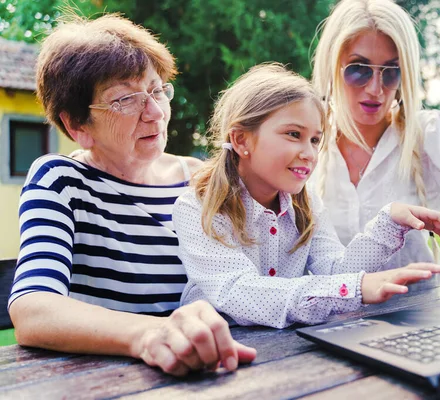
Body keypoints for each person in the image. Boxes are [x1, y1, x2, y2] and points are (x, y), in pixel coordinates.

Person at [7, 14, 256, 376]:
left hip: (208, 371)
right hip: (106, 381)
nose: (155, 113)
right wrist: (149, 335)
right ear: (77, 126)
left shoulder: (201, 181)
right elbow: (33, 309)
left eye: (157, 90)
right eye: (125, 99)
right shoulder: (61, 181)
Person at [174, 63, 440, 330]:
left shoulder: (305, 205)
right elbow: (237, 291)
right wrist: (355, 289)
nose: (309, 153)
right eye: (294, 134)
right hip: (217, 354)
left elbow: (334, 271)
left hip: (289, 353)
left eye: (315, 140)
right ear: (241, 140)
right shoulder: (198, 208)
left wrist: (390, 222)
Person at [310, 0, 440, 268]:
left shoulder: (431, 135)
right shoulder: (305, 144)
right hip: (330, 309)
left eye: (392, 72)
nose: (375, 89)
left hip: (415, 308)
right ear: (332, 65)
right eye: (359, 69)